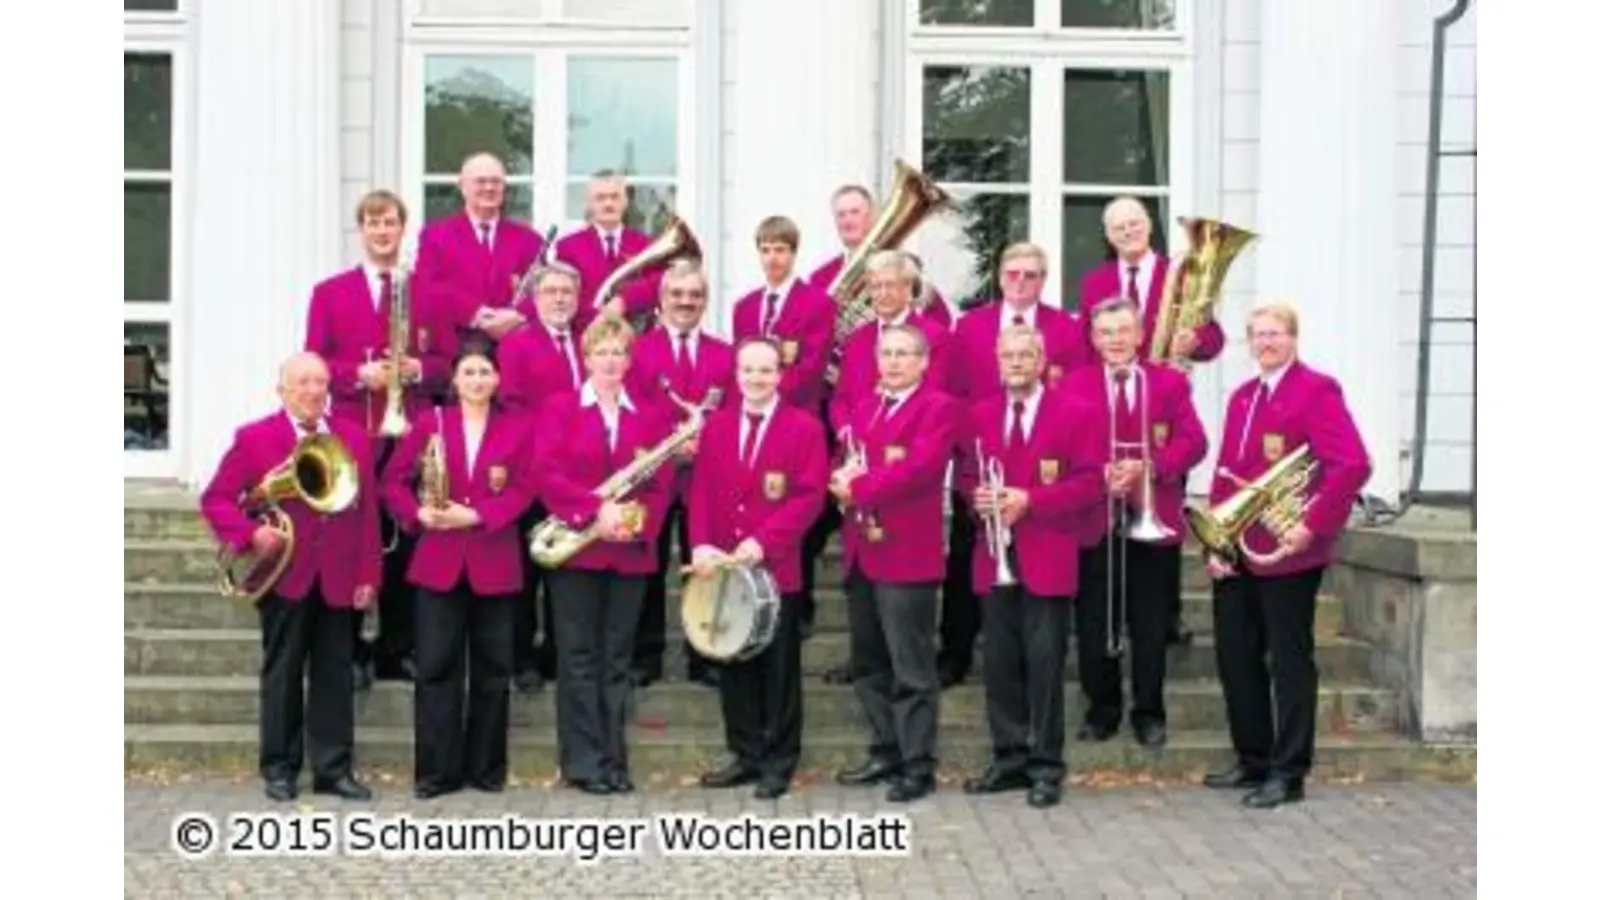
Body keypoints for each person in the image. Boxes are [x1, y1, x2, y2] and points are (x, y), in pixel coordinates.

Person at [1202, 302, 1371, 809]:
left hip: (1290, 551)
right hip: (1240, 550)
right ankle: (1252, 758)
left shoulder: (1317, 390)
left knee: (1290, 661)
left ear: (1294, 338)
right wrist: (1217, 541)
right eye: (1257, 335)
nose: (1266, 342)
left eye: (1275, 334)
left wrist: (1311, 525)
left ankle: (1288, 771)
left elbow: (1352, 464)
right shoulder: (1242, 397)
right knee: (1236, 656)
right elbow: (1225, 474)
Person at [198, 352, 379, 802]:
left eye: (320, 382)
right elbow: (217, 498)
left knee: (335, 675)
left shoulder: (353, 437)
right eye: (302, 382)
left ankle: (333, 769)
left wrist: (368, 575)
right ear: (281, 389)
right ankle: (279, 768)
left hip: (338, 575)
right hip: (285, 575)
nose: (313, 391)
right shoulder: (256, 437)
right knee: (282, 674)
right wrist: (251, 533)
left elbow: (368, 513)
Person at [305, 188, 453, 690]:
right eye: (373, 223)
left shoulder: (427, 292)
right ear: (361, 230)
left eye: (390, 222)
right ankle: (350, 648)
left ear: (402, 227)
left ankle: (396, 646)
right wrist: (356, 374)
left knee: (406, 541)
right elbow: (315, 361)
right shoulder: (330, 292)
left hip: (408, 429)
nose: (382, 231)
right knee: (351, 538)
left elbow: (448, 365)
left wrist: (418, 368)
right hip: (354, 429)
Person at [380, 340, 538, 799]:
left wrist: (479, 516)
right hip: (438, 563)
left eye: (484, 371)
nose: (476, 380)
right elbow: (393, 481)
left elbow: (526, 487)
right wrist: (417, 514)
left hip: (494, 559)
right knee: (435, 669)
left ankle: (486, 770)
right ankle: (436, 772)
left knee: (492, 671)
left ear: (497, 379)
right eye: (468, 372)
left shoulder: (517, 427)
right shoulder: (430, 422)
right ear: (454, 380)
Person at [958, 325, 1103, 810]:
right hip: (994, 554)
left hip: (1048, 553)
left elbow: (1090, 484)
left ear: (1041, 361)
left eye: (1025, 355)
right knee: (1000, 664)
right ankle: (1008, 759)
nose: (1016, 363)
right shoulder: (980, 414)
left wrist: (1031, 499)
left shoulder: (1076, 413)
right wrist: (978, 497)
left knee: (1044, 665)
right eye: (1008, 355)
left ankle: (1045, 765)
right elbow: (969, 475)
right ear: (998, 360)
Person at [536, 315, 675, 795]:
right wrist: (597, 512)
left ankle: (614, 760)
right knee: (577, 658)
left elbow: (661, 487)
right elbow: (548, 475)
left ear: (629, 359)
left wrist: (631, 523)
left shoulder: (651, 416)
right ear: (586, 357)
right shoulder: (560, 408)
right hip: (577, 553)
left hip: (628, 554)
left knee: (616, 659)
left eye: (619, 352)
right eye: (602, 352)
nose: (611, 360)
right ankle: (583, 762)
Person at [1079, 196, 1227, 646]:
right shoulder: (1095, 280)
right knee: (1109, 522)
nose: (1128, 232)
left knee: (1163, 514)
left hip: (1161, 408)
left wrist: (1193, 338)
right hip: (1112, 405)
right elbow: (1090, 341)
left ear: (1149, 226)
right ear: (1108, 235)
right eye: (1119, 227)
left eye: (1135, 223)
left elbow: (1214, 337)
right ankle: (1115, 611)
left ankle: (1165, 617)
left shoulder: (1177, 274)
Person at [1061, 298, 1208, 748]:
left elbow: (1194, 441)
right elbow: (1060, 444)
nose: (1115, 341)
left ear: (1140, 334)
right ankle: (1102, 708)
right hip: (1095, 517)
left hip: (1152, 516)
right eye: (1105, 332)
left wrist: (1152, 466)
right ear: (1093, 338)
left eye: (1123, 331)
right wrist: (1098, 472)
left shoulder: (1167, 382)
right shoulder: (1073, 385)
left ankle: (1149, 711)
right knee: (1093, 621)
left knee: (1148, 623)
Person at [941, 242, 1088, 687]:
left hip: (1041, 471)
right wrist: (972, 463)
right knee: (967, 563)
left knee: (1041, 572)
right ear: (1000, 277)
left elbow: (1075, 393)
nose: (1021, 282)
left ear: (1043, 279)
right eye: (1013, 273)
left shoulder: (1066, 327)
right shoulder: (969, 327)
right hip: (982, 463)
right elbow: (955, 392)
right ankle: (955, 653)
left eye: (1031, 274)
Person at [689, 337, 828, 799]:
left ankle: (779, 760)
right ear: (736, 373)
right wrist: (703, 545)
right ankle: (745, 754)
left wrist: (763, 541)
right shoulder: (718, 426)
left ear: (781, 375)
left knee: (778, 670)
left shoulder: (804, 428)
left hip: (776, 569)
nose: (755, 378)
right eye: (748, 370)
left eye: (765, 370)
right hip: (725, 569)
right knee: (733, 662)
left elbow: (809, 497)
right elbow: (703, 491)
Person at [830, 324, 957, 803]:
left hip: (908, 555)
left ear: (924, 362)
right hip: (863, 550)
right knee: (869, 663)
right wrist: (840, 477)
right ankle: (886, 747)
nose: (894, 362)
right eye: (887, 353)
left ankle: (917, 763)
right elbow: (847, 460)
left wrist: (858, 487)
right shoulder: (865, 408)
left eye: (905, 354)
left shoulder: (939, 408)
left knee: (912, 668)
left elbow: (919, 470)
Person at [625, 260, 736, 688]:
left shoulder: (724, 353)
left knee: (705, 567)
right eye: (677, 294)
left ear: (705, 301)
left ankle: (704, 655)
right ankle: (646, 654)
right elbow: (632, 409)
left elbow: (730, 415)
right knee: (647, 567)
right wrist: (670, 445)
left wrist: (703, 445)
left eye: (694, 295)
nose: (685, 302)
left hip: (705, 480)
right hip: (653, 476)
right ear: (661, 299)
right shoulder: (637, 349)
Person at [732, 215, 836, 640]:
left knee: (798, 520)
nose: (772, 257)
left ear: (794, 253)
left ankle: (798, 605)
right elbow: (740, 368)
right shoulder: (744, 306)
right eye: (766, 249)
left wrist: (768, 394)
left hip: (797, 425)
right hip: (752, 426)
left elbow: (811, 369)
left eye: (781, 249)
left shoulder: (818, 304)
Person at [494, 261, 588, 692]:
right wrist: (551, 451)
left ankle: (558, 653)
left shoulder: (589, 342)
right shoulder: (517, 344)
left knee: (567, 571)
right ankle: (523, 658)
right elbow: (512, 408)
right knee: (527, 571)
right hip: (533, 473)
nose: (559, 299)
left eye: (567, 291)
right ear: (535, 298)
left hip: (580, 477)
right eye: (550, 291)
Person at [412, 152, 546, 345]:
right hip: (458, 345)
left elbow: (543, 291)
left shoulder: (530, 240)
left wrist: (517, 315)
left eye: (496, 182)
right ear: (462, 186)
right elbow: (429, 287)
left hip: (515, 344)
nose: (489, 187)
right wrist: (479, 315)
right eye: (480, 181)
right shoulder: (436, 236)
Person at [827, 250, 951, 435]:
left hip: (908, 449)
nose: (883, 293)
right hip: (855, 449)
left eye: (890, 285)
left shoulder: (936, 337)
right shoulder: (856, 339)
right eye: (876, 286)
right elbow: (841, 399)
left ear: (908, 289)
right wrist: (845, 428)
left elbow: (936, 399)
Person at [807, 184, 953, 329]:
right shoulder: (820, 278)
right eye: (841, 214)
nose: (847, 220)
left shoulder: (905, 268)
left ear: (872, 217)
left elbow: (940, 324)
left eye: (855, 212)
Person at [555, 169, 664, 333]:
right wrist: (603, 318)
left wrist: (624, 301)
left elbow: (658, 283)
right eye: (600, 198)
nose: (608, 204)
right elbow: (566, 294)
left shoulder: (646, 245)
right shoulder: (568, 247)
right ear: (590, 204)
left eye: (615, 197)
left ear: (625, 201)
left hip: (636, 338)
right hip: (588, 338)